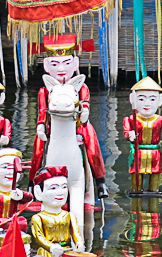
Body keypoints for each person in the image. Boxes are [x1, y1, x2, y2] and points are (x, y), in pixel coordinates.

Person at [31, 34, 106, 197]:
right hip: (52, 126)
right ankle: (32, 181)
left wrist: (84, 111)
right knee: (38, 147)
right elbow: (42, 110)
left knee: (92, 144)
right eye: (55, 64)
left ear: (75, 64)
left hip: (78, 125)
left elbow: (85, 102)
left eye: (66, 63)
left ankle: (100, 181)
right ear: (46, 66)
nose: (61, 69)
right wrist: (41, 126)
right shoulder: (45, 90)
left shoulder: (80, 87)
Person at [123, 76, 162, 196]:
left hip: (154, 155)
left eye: (152, 99)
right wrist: (130, 135)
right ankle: (135, 208)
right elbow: (126, 133)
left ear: (160, 100)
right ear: (132, 100)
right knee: (136, 187)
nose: (147, 104)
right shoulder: (130, 119)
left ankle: (154, 210)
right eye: (141, 99)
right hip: (138, 154)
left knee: (154, 185)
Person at [0, 148, 32, 251]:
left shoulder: (16, 193)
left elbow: (30, 197)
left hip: (13, 228)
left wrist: (21, 196)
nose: (10, 172)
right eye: (5, 167)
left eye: (14, 168)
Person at [29, 166, 82, 257]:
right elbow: (39, 238)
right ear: (38, 192)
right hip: (46, 254)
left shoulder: (69, 215)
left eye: (64, 187)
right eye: (53, 188)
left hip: (67, 253)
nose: (60, 192)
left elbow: (76, 234)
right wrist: (51, 247)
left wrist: (79, 243)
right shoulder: (38, 218)